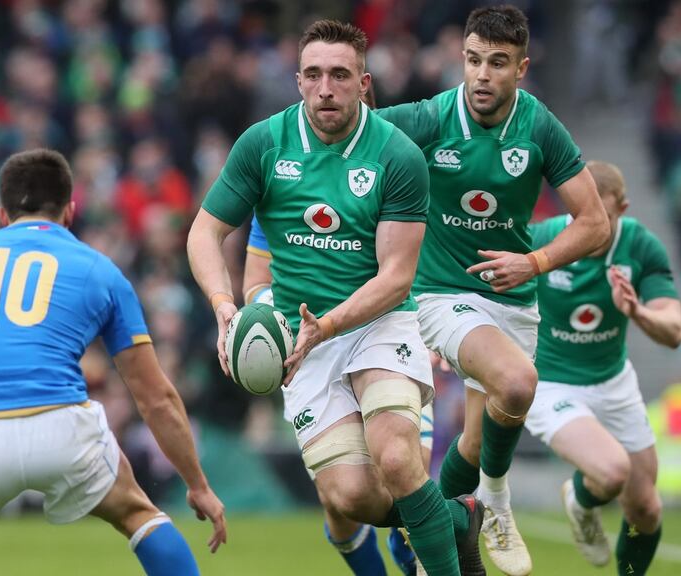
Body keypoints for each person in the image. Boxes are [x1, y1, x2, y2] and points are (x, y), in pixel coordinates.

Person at [188, 19, 484, 576]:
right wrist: (226, 306)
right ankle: (454, 519)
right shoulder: (263, 145)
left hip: (379, 323)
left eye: (341, 75)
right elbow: (204, 232)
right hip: (305, 343)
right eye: (315, 75)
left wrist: (328, 323)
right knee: (352, 499)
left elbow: (397, 278)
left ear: (363, 83)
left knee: (397, 458)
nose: (327, 87)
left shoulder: (397, 155)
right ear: (298, 81)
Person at [0, 149, 227, 576]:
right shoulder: (100, 270)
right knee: (138, 512)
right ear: (70, 211)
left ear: (1, 212)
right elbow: (155, 397)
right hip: (61, 433)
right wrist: (197, 485)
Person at [375, 6, 610, 574]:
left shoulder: (539, 127)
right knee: (518, 380)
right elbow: (358, 138)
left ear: (521, 68)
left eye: (498, 63)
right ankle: (497, 506)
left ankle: (426, 528)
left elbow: (595, 223)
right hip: (440, 294)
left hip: (513, 299)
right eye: (474, 60)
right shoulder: (431, 118)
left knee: (478, 446)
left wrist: (534, 262)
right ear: (463, 58)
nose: (482, 74)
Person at [244, 218, 431, 576]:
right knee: (343, 501)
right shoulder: (274, 179)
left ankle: (419, 539)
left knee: (405, 467)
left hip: (384, 332)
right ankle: (426, 526)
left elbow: (407, 260)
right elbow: (254, 281)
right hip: (309, 355)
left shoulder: (387, 167)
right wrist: (276, 311)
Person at [526, 160, 681, 575]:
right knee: (613, 472)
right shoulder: (541, 238)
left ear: (624, 208)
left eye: (604, 216)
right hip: (552, 386)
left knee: (646, 507)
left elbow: (674, 331)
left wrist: (637, 312)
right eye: (582, 215)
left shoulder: (640, 246)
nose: (592, 226)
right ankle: (583, 499)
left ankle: (581, 502)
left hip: (614, 381)